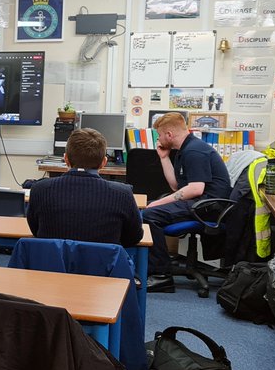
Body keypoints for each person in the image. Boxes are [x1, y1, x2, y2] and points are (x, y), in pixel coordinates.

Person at [143, 112, 231, 291]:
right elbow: (177, 187)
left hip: (207, 206)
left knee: (149, 215)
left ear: (169, 134)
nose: (158, 139)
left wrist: (157, 204)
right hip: (200, 202)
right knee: (147, 208)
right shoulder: (185, 150)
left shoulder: (194, 151)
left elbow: (195, 189)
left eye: (159, 135)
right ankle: (154, 265)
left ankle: (161, 275)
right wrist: (164, 158)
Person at [27, 128, 143, 247]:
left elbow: (35, 231)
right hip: (103, 264)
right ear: (104, 162)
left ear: (66, 159)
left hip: (51, 264)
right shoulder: (123, 193)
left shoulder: (39, 189)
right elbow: (133, 237)